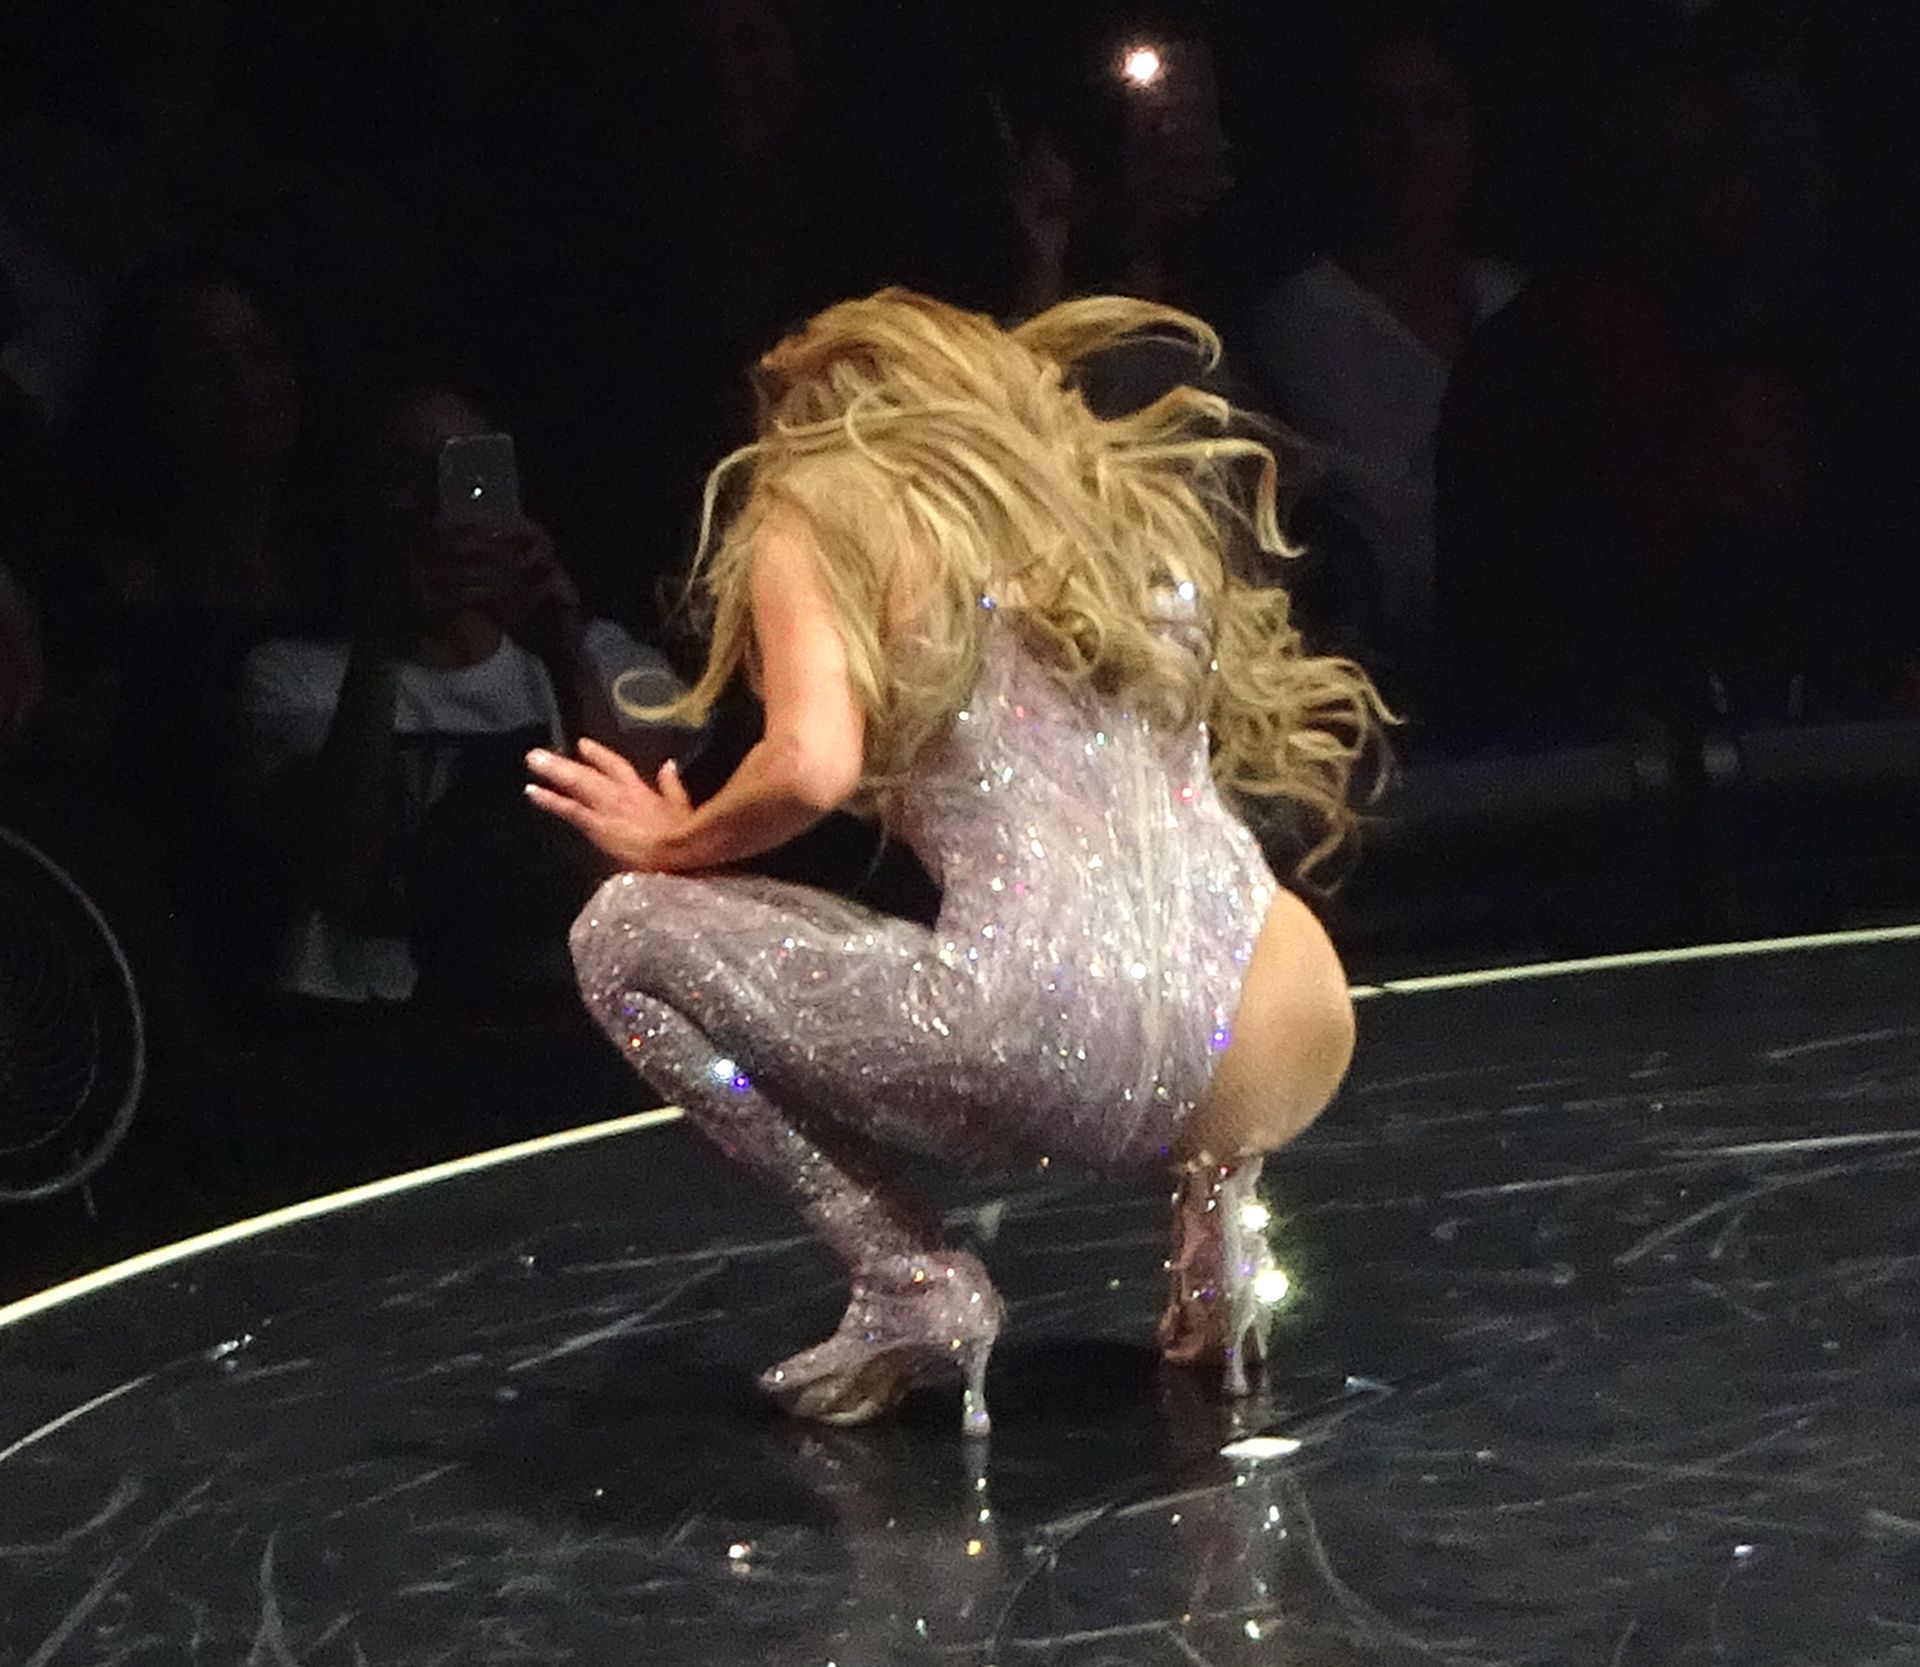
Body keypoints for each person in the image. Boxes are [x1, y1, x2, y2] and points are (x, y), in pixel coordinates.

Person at [529, 291, 1378, 1435]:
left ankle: (908, 1277)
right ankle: (1217, 1236)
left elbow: (809, 765)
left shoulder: (827, 504)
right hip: (1282, 1010)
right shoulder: (1114, 503)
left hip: (1045, 1028)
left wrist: (672, 840)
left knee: (621, 930)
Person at [242, 380, 688, 1008]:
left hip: (553, 1010)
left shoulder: (603, 657)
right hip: (363, 1022)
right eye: (402, 477)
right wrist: (383, 646)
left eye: (466, 472)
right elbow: (339, 881)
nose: (436, 508)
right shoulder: (295, 676)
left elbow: (651, 853)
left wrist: (564, 654)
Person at [1240, 12, 1524, 705]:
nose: (1412, 144)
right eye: (1379, 117)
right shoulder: (1295, 327)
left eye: (1436, 114)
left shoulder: (1516, 301)